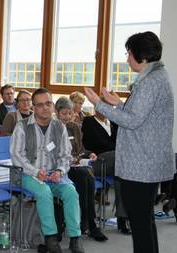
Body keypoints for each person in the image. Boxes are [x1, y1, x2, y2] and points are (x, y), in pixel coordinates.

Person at [84, 31, 175, 253]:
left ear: (141, 57)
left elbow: (133, 121)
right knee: (145, 221)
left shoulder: (149, 82)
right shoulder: (156, 77)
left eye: (129, 53)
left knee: (141, 222)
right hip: (147, 161)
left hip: (141, 164)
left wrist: (99, 103)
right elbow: (142, 117)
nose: (127, 59)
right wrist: (118, 104)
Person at [10, 88, 84, 253]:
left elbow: (66, 155)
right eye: (40, 105)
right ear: (34, 108)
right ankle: (51, 238)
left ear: (53, 105)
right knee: (44, 192)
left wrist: (59, 171)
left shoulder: (59, 126)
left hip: (54, 174)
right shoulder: (21, 127)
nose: (45, 108)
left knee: (71, 192)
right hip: (27, 174)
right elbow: (17, 157)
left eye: (48, 103)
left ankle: (75, 238)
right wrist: (36, 172)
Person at [55, 96, 107, 241]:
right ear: (57, 113)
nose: (67, 117)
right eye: (64, 113)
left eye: (70, 113)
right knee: (85, 175)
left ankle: (87, 222)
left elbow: (81, 149)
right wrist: (69, 160)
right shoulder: (53, 128)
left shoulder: (75, 127)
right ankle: (89, 223)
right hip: (60, 168)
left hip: (76, 167)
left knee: (86, 175)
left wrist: (89, 154)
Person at [82, 108, 130, 234]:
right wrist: (117, 148)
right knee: (121, 158)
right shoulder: (89, 122)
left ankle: (122, 216)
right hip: (95, 160)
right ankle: (124, 217)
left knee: (122, 175)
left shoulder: (113, 123)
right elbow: (96, 143)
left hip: (116, 162)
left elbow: (124, 140)